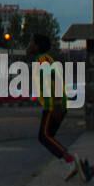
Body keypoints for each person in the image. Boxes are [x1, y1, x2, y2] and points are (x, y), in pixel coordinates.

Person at [26, 33, 76, 173]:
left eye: (31, 42)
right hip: (53, 104)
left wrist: (58, 105)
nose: (28, 45)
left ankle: (70, 160)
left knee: (45, 136)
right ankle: (68, 162)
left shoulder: (43, 61)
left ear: (37, 46)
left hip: (54, 105)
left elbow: (56, 81)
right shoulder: (42, 60)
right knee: (46, 137)